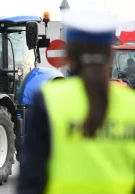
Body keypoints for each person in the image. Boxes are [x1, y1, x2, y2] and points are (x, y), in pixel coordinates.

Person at [16, 9, 135, 194]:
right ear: (110, 55)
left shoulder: (49, 100)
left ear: (69, 53)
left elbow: (31, 181)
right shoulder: (131, 105)